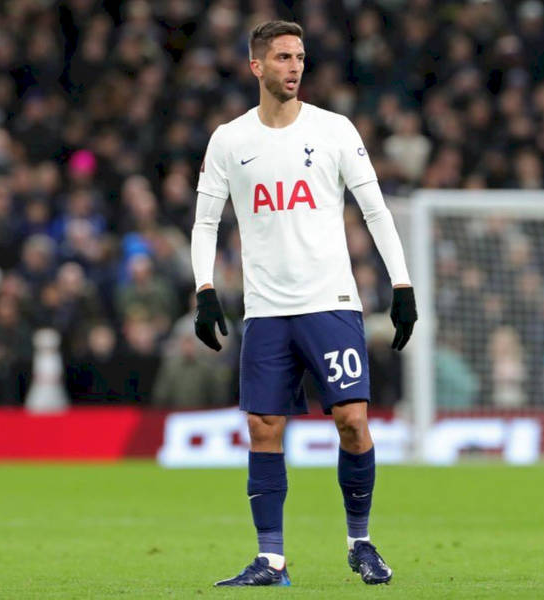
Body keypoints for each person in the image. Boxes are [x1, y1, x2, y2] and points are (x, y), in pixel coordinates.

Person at [190, 21, 416, 587]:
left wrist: (403, 285)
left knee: (352, 421)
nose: (294, 67)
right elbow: (205, 222)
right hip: (265, 309)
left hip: (330, 300)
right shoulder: (230, 140)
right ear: (256, 67)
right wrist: (204, 289)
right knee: (265, 427)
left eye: (300, 57)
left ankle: (360, 543)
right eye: (283, 57)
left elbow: (376, 210)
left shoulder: (335, 130)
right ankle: (271, 560)